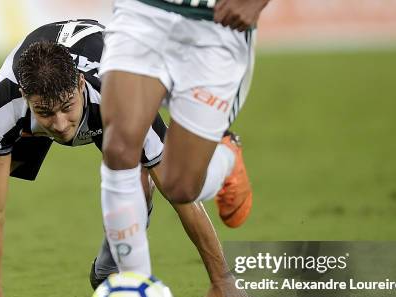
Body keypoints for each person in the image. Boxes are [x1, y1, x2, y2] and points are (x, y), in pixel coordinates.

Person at [0, 19, 261, 297]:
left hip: (107, 110)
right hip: (39, 112)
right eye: (46, 112)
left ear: (79, 84)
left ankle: (108, 271)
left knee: (144, 182)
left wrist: (222, 279)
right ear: (27, 98)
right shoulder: (4, 104)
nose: (59, 124)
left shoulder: (122, 94)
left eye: (66, 108)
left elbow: (180, 196)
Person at [98, 0, 272, 280]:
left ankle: (226, 156)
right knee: (118, 147)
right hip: (144, 11)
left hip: (216, 22)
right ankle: (135, 293)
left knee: (180, 187)